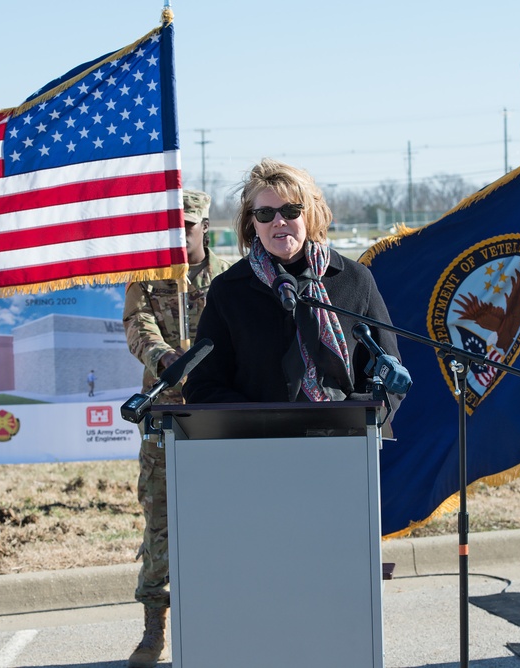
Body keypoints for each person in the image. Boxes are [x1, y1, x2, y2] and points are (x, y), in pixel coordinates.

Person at [182, 157, 404, 414]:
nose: (279, 221)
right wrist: (257, 420)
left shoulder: (355, 280)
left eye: (290, 211)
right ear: (252, 222)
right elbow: (203, 384)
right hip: (257, 442)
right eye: (265, 213)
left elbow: (389, 376)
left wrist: (353, 415)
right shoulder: (229, 289)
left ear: (310, 215)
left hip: (344, 439)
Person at [122, 189, 231, 668]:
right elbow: (137, 326)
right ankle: (153, 629)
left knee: (223, 522)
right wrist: (162, 356)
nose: (175, 237)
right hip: (164, 419)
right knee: (161, 526)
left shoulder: (231, 277)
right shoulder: (146, 277)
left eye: (184, 228)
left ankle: (219, 622)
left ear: (203, 227)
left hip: (220, 418)